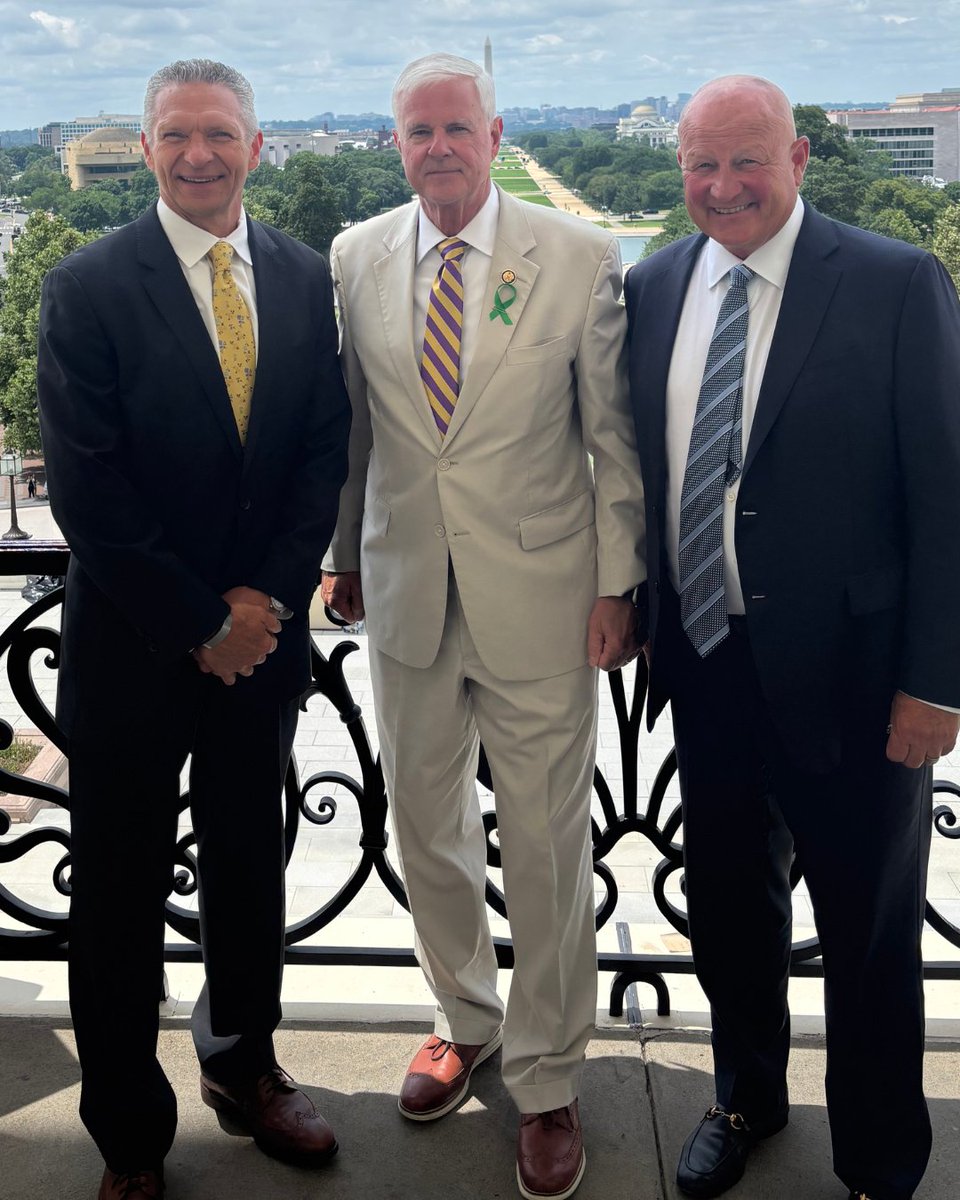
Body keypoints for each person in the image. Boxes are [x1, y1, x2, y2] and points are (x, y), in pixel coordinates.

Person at [624, 74, 960, 1200]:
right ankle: (744, 1098)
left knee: (868, 942)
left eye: (746, 162)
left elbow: (945, 496)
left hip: (860, 687)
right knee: (728, 913)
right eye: (701, 166)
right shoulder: (656, 282)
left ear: (800, 157)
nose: (723, 188)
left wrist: (935, 682)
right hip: (708, 668)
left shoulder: (896, 282)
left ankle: (877, 1162)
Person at [320, 52, 645, 1200]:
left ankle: (548, 1078)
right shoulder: (356, 257)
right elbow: (356, 430)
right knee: (424, 826)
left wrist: (619, 583)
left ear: (495, 135)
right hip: (404, 590)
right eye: (419, 132)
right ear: (395, 143)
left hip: (543, 596)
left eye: (458, 127)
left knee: (550, 844)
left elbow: (610, 438)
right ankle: (465, 1018)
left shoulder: (574, 257)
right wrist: (339, 554)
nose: (439, 148)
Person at [36, 58, 351, 1200]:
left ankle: (247, 1070)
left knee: (248, 879)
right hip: (130, 653)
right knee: (114, 899)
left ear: (256, 146)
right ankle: (128, 1134)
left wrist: (262, 603)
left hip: (258, 653)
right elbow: (90, 494)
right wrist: (199, 621)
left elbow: (324, 452)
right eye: (177, 135)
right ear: (147, 146)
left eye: (219, 133)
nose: (199, 154)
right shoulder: (85, 286)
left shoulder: (310, 279)